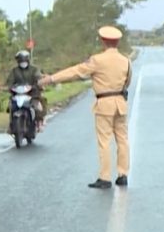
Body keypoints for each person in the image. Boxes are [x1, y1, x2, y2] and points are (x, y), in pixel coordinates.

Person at [40, 26, 132, 189]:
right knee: (122, 140)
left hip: (104, 104)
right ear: (117, 42)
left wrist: (52, 79)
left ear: (103, 41)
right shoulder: (126, 61)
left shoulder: (97, 60)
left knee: (104, 141)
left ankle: (105, 177)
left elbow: (75, 72)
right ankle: (123, 174)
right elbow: (128, 81)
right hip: (120, 103)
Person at [7, 50, 46, 132]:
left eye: (24, 60)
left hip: (33, 94)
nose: (23, 62)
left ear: (28, 60)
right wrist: (9, 87)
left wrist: (38, 85)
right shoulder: (14, 71)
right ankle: (11, 126)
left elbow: (38, 78)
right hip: (17, 94)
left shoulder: (34, 69)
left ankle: (39, 123)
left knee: (37, 106)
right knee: (11, 107)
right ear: (18, 61)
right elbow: (10, 81)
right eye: (21, 61)